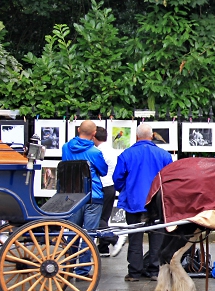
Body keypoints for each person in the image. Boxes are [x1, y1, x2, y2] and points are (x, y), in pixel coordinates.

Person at [113, 123, 173, 281]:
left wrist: (126, 190)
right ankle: (154, 271)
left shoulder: (126, 154)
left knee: (135, 237)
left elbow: (117, 179)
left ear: (136, 137)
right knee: (157, 237)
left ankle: (134, 272)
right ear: (152, 136)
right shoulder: (164, 155)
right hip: (157, 203)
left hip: (134, 202)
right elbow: (170, 180)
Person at [61, 120, 108, 277]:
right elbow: (103, 171)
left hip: (73, 195)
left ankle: (68, 266)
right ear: (94, 134)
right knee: (89, 235)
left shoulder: (66, 148)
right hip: (92, 196)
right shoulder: (95, 152)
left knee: (72, 232)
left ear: (78, 129)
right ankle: (82, 270)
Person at [93, 127, 126, 257]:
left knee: (98, 219)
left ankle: (115, 239)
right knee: (104, 218)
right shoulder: (112, 151)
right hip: (111, 186)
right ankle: (103, 248)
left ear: (94, 137)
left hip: (101, 186)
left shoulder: (97, 151)